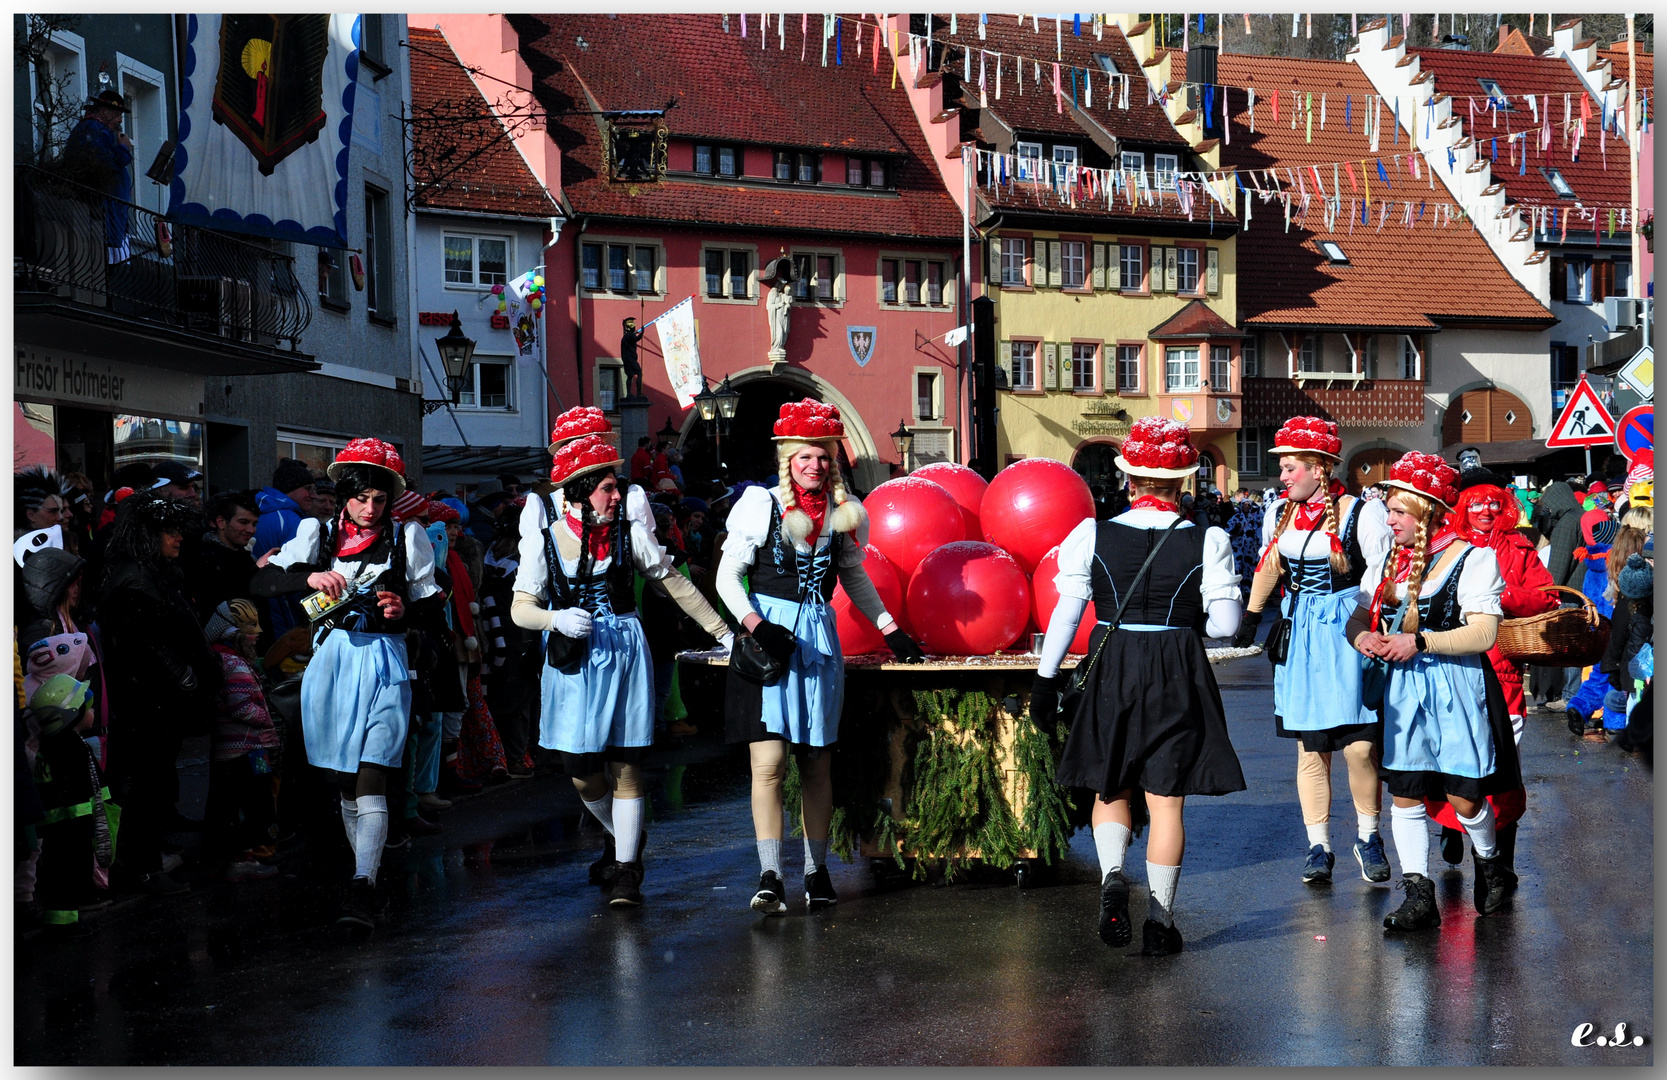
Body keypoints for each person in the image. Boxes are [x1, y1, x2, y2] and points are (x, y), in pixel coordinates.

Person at [1030, 417, 1245, 956]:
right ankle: (1160, 921)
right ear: (1184, 482)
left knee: (1112, 786)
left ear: (1130, 480)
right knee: (1167, 801)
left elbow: (1066, 614)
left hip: (1113, 660)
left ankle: (1111, 877)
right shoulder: (1209, 538)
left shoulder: (1090, 533)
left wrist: (1044, 678)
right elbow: (1225, 625)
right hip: (1175, 663)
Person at [715, 399, 925, 915]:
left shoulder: (841, 513)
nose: (815, 465)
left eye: (824, 456)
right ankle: (769, 874)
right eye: (805, 456)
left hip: (818, 640)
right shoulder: (759, 506)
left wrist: (890, 629)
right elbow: (725, 578)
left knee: (816, 762)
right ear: (788, 459)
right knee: (768, 763)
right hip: (768, 639)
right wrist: (758, 627)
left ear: (834, 460)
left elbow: (853, 576)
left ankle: (815, 869)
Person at [511, 434, 734, 907]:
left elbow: (675, 582)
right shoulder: (544, 541)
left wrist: (724, 632)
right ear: (577, 492)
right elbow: (520, 609)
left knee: (627, 765)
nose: (619, 496)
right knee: (581, 772)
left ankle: (628, 869)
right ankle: (622, 835)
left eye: (617, 486)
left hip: (624, 650)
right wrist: (554, 618)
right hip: (573, 659)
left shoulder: (628, 532)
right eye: (608, 488)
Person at [250, 439, 438, 930]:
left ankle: (362, 884)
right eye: (361, 498)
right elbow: (261, 584)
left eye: (379, 499)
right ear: (345, 495)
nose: (370, 509)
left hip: (386, 663)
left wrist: (406, 610)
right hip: (331, 664)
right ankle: (367, 876)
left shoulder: (408, 536)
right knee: (347, 782)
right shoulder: (317, 533)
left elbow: (434, 606)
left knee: (374, 771)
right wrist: (309, 578)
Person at [1346, 453, 1518, 932]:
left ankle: (1488, 862)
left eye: (1400, 510)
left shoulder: (1472, 558)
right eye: (1390, 509)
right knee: (1405, 793)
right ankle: (1419, 893)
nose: (1389, 518)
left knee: (1464, 798)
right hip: (1404, 692)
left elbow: (1484, 634)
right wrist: (1363, 636)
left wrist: (1417, 640)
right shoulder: (1387, 562)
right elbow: (1359, 616)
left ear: (1427, 511)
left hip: (1457, 689)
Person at [1232, 417, 1394, 886]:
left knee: (1360, 747)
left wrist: (1366, 624)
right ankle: (1318, 846)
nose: (1282, 477)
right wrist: (1251, 615)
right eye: (1282, 469)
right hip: (1301, 633)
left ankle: (1368, 836)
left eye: (1289, 468)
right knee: (1310, 749)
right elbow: (1269, 566)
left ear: (1318, 468)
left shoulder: (1361, 514)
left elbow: (1379, 576)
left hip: (1347, 630)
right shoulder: (1279, 513)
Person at [1427, 466, 1557, 880]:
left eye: (1493, 501)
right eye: (1477, 501)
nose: (1486, 508)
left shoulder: (1519, 547)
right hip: (1452, 670)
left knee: (1504, 771)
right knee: (1452, 762)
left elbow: (1546, 597)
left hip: (1505, 676)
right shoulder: (1444, 547)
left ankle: (1501, 861)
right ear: (1463, 506)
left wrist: (1501, 595)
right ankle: (1451, 825)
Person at [99, 492, 220, 896]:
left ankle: (146, 859)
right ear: (149, 535)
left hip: (156, 702)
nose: (178, 538)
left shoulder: (152, 572)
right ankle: (142, 867)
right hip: (147, 704)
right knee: (147, 785)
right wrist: (184, 676)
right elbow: (145, 643)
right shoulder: (135, 578)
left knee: (156, 782)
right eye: (170, 531)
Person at [201, 600, 281, 882]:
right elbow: (240, 706)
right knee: (256, 805)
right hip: (245, 749)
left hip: (246, 748)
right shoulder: (231, 661)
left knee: (248, 804)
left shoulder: (226, 658)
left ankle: (245, 854)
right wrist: (266, 717)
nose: (258, 633)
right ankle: (243, 857)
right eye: (250, 628)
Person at [59, 90, 134, 263]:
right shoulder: (93, 128)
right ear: (103, 111)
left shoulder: (99, 131)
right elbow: (106, 163)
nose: (120, 120)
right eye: (117, 114)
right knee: (103, 266)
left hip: (110, 211)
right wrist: (123, 148)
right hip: (103, 212)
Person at [254, 459, 318, 639]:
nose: (313, 495)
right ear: (290, 489)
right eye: (308, 488)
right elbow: (293, 576)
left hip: (260, 608)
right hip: (280, 615)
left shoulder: (263, 512)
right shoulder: (289, 519)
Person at [191, 492, 264, 621]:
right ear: (221, 522)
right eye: (243, 522)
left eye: (254, 524)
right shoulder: (208, 561)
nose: (250, 530)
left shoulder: (239, 555)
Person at [16, 467, 71, 539]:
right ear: (31, 515)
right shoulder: (20, 548)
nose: (60, 517)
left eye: (60, 511)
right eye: (53, 511)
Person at [620, 318, 647, 399]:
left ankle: (629, 394)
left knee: (630, 376)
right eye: (633, 327)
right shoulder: (630, 336)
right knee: (639, 373)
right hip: (631, 359)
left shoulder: (625, 337)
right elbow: (636, 339)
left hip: (627, 359)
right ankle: (638, 393)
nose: (635, 328)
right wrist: (642, 332)